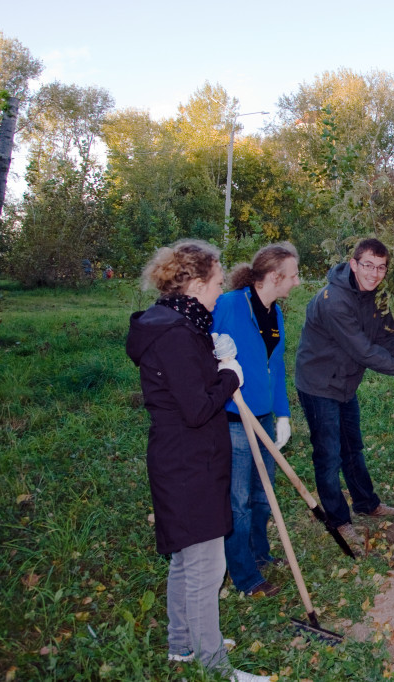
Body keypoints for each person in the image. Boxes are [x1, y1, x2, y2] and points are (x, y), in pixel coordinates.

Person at [125, 240, 269, 682]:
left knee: (187, 558)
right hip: (188, 463)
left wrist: (212, 354)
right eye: (218, 277)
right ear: (196, 283)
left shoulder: (179, 324)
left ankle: (182, 643)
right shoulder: (173, 333)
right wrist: (229, 374)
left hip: (186, 456)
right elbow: (196, 407)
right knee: (206, 564)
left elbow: (187, 381)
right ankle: (214, 665)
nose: (223, 282)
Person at [294, 238, 394, 546]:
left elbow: (388, 340)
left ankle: (366, 503)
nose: (374, 274)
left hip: (345, 381)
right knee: (329, 455)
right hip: (319, 384)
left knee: (352, 447)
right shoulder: (334, 300)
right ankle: (338, 520)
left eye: (381, 267)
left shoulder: (376, 296)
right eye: (368, 266)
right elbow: (363, 350)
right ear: (354, 264)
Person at [210, 243, 300, 598]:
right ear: (274, 277)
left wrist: (283, 414)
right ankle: (245, 575)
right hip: (234, 418)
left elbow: (275, 367)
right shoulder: (229, 305)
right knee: (240, 500)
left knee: (265, 495)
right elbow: (202, 348)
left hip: (262, 416)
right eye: (292, 276)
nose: (296, 282)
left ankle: (260, 554)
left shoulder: (274, 313)